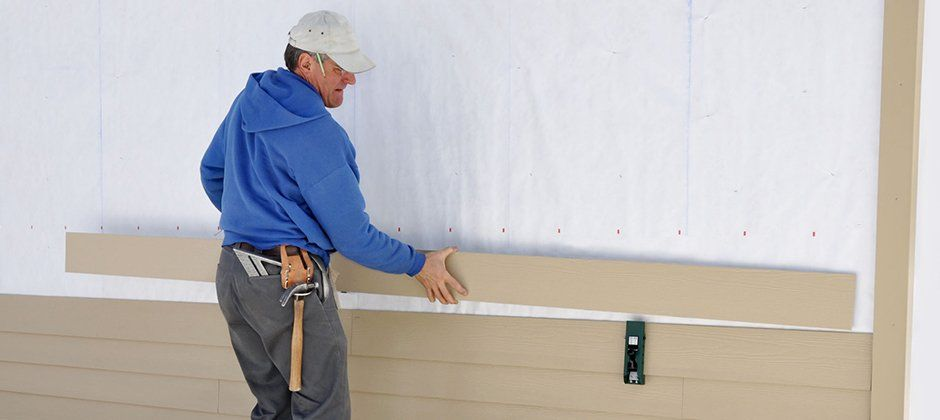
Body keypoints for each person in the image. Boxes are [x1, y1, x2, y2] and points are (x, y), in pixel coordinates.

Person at [199, 10, 468, 419]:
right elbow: (353, 237)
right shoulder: (316, 132)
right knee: (321, 411)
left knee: (273, 408)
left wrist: (254, 216)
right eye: (342, 68)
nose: (351, 79)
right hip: (289, 286)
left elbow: (211, 171)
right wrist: (418, 264)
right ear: (307, 62)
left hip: (235, 277)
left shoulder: (248, 102)